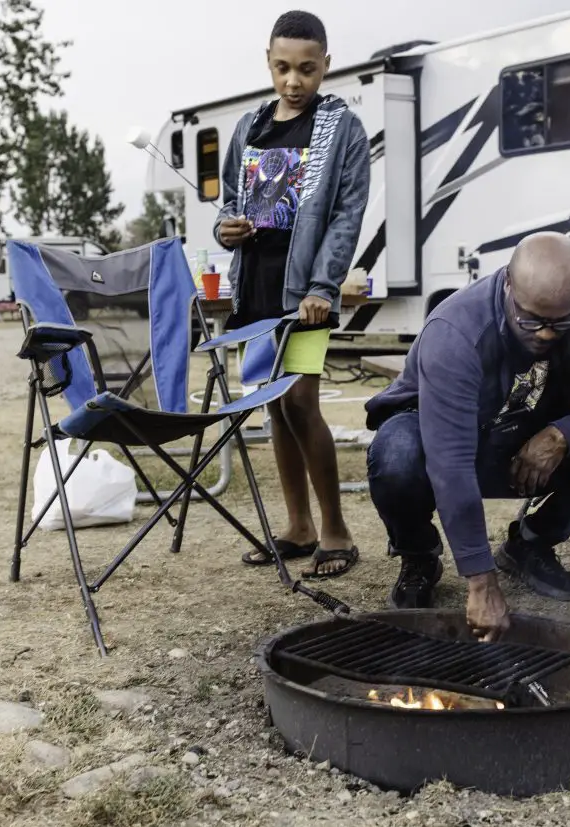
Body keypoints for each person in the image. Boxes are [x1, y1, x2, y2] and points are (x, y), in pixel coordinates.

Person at [364, 233, 570, 641]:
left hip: (528, 443)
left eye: (562, 322)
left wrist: (563, 434)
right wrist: (480, 583)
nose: (547, 335)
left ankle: (530, 544)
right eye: (532, 320)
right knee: (397, 454)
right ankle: (419, 555)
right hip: (440, 443)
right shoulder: (456, 331)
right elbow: (449, 463)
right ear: (507, 285)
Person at [213, 10, 369, 577]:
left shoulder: (342, 128)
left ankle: (336, 530)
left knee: (302, 401)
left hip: (305, 296)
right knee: (274, 407)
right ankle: (298, 526)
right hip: (253, 289)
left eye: (306, 69)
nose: (293, 81)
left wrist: (323, 285)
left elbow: (347, 215)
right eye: (282, 68)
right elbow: (229, 204)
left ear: (326, 64)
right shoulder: (250, 127)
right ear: (268, 62)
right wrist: (225, 228)